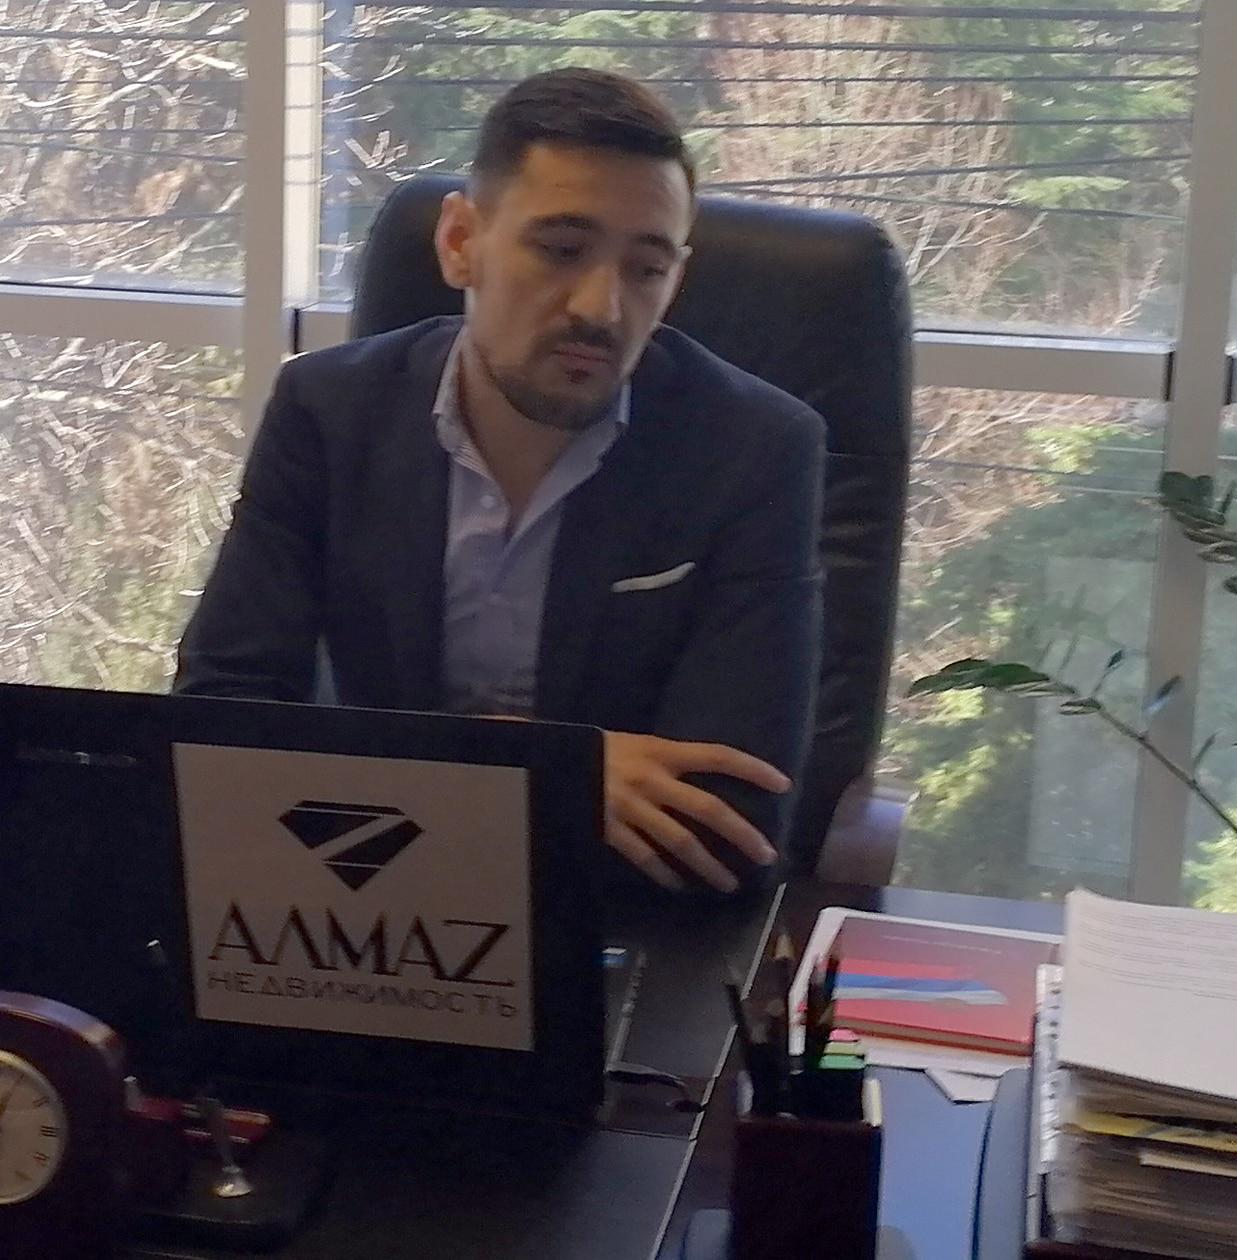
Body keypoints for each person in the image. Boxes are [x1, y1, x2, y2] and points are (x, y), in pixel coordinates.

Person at [174, 68, 823, 894]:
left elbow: (727, 825)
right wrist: (560, 769)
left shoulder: (753, 451)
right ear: (460, 242)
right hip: (356, 899)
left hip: (617, 922)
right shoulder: (328, 412)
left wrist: (386, 779)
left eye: (645, 269)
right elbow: (217, 723)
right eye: (562, 250)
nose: (601, 307)